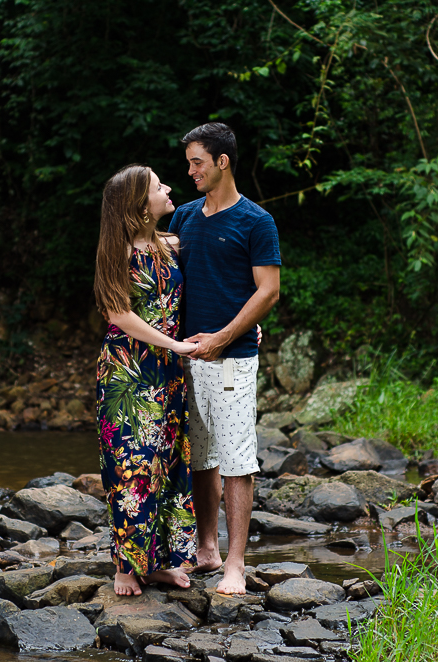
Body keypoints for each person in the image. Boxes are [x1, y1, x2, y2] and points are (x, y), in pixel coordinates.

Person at [167, 123, 281, 595]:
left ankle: (235, 563)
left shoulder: (256, 221)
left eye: (197, 162)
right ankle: (206, 548)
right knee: (201, 455)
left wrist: (226, 335)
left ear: (222, 161)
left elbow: (268, 290)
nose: (190, 171)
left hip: (232, 357)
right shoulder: (185, 218)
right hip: (187, 356)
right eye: (189, 162)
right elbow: (161, 278)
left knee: (236, 460)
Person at [94, 164, 199, 596]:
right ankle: (125, 567)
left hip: (169, 375)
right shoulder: (115, 253)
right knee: (131, 467)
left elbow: (203, 295)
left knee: (168, 464)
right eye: (159, 186)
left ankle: (158, 564)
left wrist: (243, 330)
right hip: (129, 372)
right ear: (139, 205)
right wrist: (173, 346)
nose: (169, 188)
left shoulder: (172, 245)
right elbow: (118, 314)